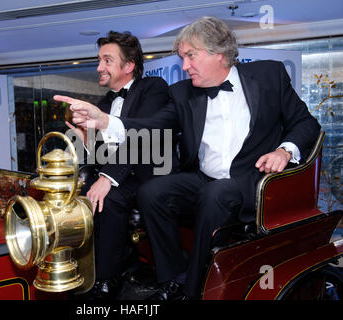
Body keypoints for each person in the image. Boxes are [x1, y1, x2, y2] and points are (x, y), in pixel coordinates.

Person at [55, 17, 321, 299]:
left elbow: (306, 124)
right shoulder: (182, 93)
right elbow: (154, 127)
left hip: (253, 180)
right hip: (204, 179)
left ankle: (194, 291)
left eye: (190, 56)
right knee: (152, 192)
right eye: (182, 58)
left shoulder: (269, 75)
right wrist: (107, 122)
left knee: (215, 193)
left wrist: (284, 150)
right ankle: (174, 277)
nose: (184, 66)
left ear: (218, 52)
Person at [65, 30, 169, 299]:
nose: (99, 67)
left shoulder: (153, 88)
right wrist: (86, 141)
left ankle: (106, 278)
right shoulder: (103, 103)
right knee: (75, 192)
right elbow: (101, 155)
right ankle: (80, 264)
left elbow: (145, 139)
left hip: (150, 174)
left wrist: (107, 178)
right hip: (118, 172)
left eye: (107, 61)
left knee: (108, 197)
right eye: (99, 60)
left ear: (129, 65)